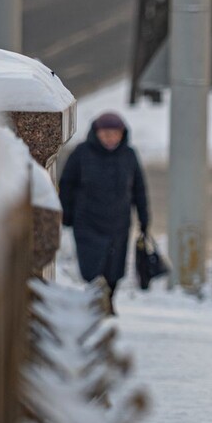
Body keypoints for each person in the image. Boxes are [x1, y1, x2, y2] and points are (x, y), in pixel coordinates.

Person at [59, 112, 150, 312]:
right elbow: (66, 184)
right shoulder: (81, 153)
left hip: (118, 222)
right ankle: (97, 302)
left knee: (114, 268)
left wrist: (144, 218)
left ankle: (108, 301)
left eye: (115, 133)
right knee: (92, 267)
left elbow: (139, 189)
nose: (110, 138)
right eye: (105, 133)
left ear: (122, 134)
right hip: (87, 221)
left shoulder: (129, 155)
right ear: (96, 133)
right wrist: (66, 214)